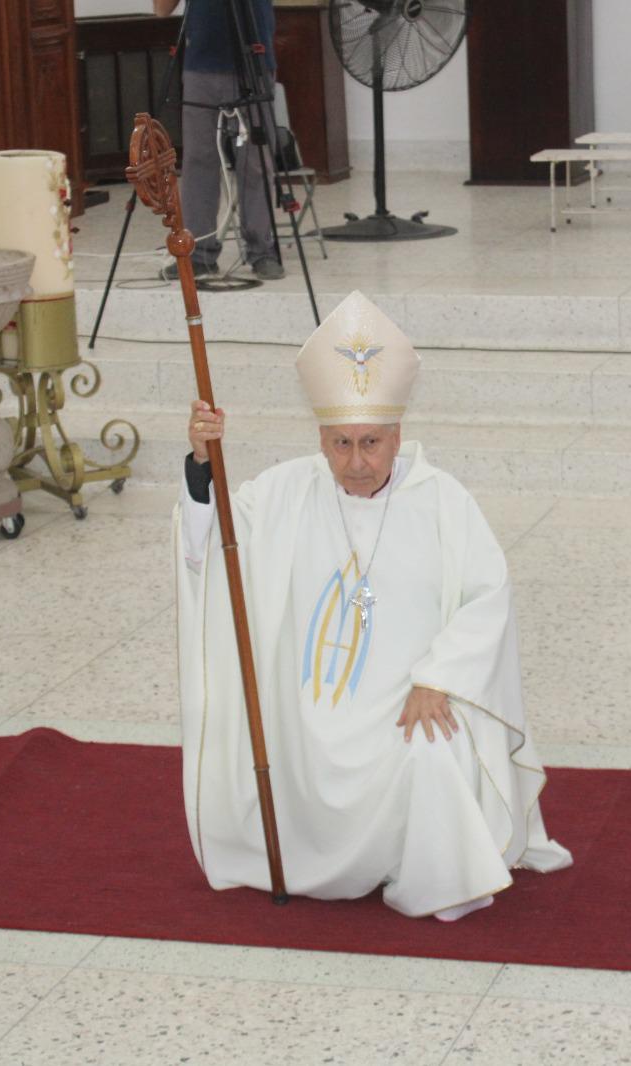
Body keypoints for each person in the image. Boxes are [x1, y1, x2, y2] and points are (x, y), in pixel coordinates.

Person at [173, 291, 572, 920]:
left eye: (369, 443)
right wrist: (203, 462)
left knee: (432, 751)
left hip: (408, 696)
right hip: (303, 710)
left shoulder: (442, 501)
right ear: (320, 437)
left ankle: (430, 874)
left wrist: (439, 679)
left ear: (397, 435)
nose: (355, 463)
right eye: (339, 444)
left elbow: (488, 595)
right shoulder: (286, 492)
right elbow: (216, 548)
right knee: (291, 742)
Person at [154, 0, 285, 281]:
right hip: (201, 60)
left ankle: (262, 251)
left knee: (256, 161)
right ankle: (198, 252)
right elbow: (161, 9)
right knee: (199, 160)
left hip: (254, 58)